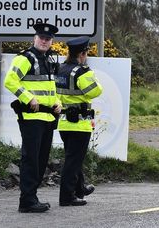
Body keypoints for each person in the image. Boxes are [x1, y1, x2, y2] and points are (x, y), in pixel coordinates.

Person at [4, 22, 62, 213]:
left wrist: (58, 102)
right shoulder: (25, 58)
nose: (45, 41)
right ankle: (27, 200)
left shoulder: (47, 59)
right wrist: (28, 98)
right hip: (31, 117)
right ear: (34, 38)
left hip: (46, 117)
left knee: (41, 159)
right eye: (42, 38)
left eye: (48, 39)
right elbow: (10, 81)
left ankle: (32, 197)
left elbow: (49, 88)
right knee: (31, 158)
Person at [56, 36, 102, 207]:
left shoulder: (60, 69)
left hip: (64, 122)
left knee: (74, 158)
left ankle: (80, 188)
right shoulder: (82, 72)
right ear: (83, 53)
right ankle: (67, 196)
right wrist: (91, 75)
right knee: (73, 160)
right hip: (80, 124)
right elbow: (96, 91)